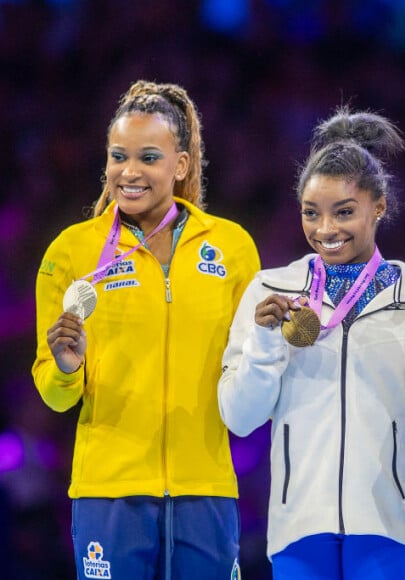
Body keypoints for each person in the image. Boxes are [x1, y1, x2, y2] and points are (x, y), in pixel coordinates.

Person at [32, 80, 260, 579]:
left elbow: (247, 368)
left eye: (149, 157)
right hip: (109, 491)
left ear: (179, 165)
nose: (129, 172)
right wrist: (68, 369)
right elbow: (53, 393)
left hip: (207, 489)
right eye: (118, 156)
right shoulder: (71, 252)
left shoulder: (231, 248)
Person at [218, 106, 405, 580]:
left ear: (379, 206)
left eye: (344, 212)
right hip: (299, 528)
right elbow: (239, 417)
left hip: (387, 527)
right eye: (311, 213)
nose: (326, 230)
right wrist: (267, 342)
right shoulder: (271, 290)